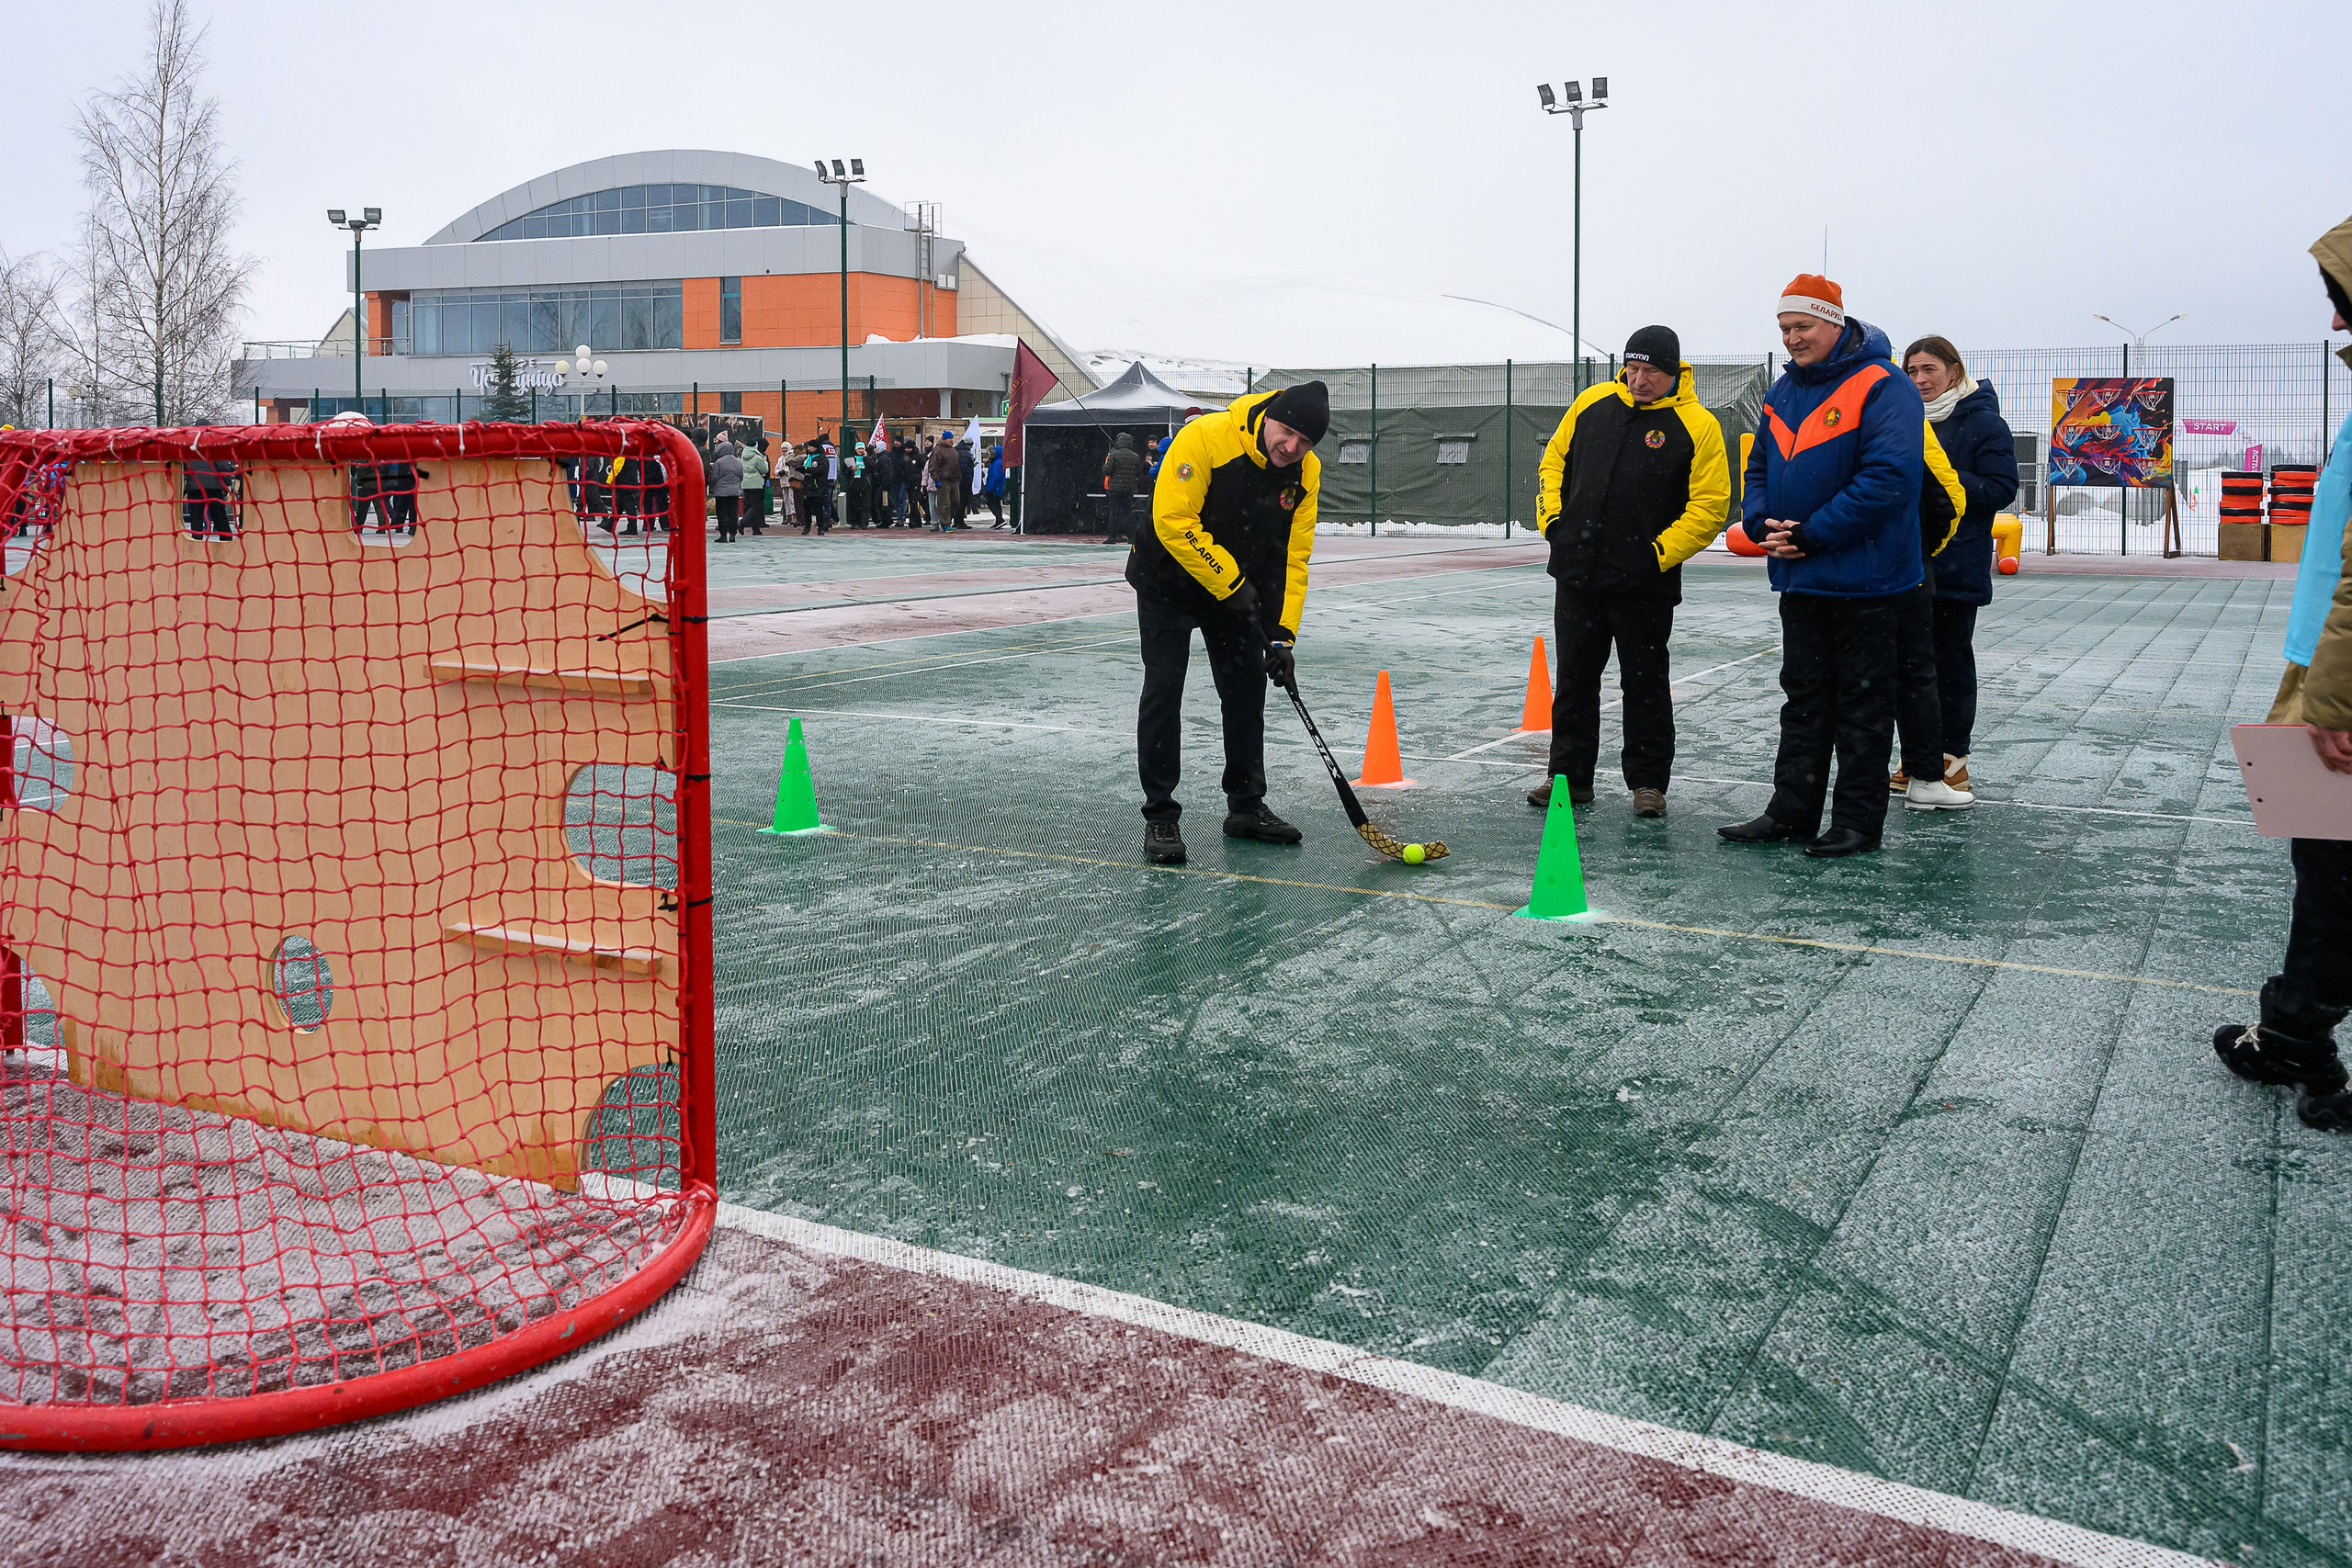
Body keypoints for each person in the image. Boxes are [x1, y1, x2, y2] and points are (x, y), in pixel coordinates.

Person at [2211, 213, 2352, 1134]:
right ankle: (2295, 1029)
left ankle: (2298, 1029)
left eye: (2340, 302)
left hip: (2343, 681)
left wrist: (2335, 701)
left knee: (2335, 865)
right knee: (2324, 858)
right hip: (2328, 662)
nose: (2336, 325)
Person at [1719, 275, 1925, 859]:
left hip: (1868, 580)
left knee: (1863, 705)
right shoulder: (1782, 391)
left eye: (1801, 327)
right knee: (1803, 697)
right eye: (1784, 329)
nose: (1791, 339)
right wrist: (1763, 527)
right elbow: (1756, 468)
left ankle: (1859, 822)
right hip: (1802, 575)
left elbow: (1888, 479)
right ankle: (1792, 810)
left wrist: (1812, 534)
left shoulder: (1884, 385)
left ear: (1834, 322)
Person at [1531, 325, 1730, 819]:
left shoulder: (1698, 426)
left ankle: (1648, 784)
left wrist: (1657, 554)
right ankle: (1569, 781)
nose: (1639, 380)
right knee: (1575, 680)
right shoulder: (1592, 403)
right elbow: (1553, 463)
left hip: (1645, 582)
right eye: (1633, 369)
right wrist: (1553, 521)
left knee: (1644, 683)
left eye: (1651, 372)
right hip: (1578, 572)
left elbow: (1710, 506)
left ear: (1675, 372)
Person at [1125, 380, 1329, 865]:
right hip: (1166, 584)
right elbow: (1173, 519)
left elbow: (1292, 557)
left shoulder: (1306, 473)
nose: (1291, 447)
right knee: (1164, 689)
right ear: (1269, 417)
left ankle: (1246, 807)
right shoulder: (1206, 438)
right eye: (1287, 432)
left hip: (1235, 595)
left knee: (1245, 690)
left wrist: (1282, 634)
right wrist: (1233, 583)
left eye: (1305, 442)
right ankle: (1161, 813)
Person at [1894, 335, 2018, 804]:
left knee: (1949, 664)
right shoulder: (1903, 419)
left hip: (1958, 567)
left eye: (1929, 370)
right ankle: (1917, 757)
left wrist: (1942, 476)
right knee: (1911, 666)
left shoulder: (1983, 421)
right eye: (1912, 371)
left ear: (1954, 370)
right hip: (1911, 563)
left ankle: (1953, 760)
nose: (1920, 380)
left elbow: (2001, 487)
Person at [1103, 433, 1148, 544]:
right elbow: (1138, 473)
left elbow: (1107, 471)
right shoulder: (1135, 456)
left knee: (1114, 513)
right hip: (1129, 489)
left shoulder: (1114, 455)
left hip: (1114, 489)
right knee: (1128, 513)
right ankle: (1131, 537)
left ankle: (1112, 536)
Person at [708, 439, 744, 542]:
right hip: (734, 492)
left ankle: (723, 535)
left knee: (722, 513)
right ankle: (733, 534)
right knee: (733, 513)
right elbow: (741, 476)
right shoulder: (738, 462)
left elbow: (714, 477)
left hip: (721, 492)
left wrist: (712, 486)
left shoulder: (718, 462)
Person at [926, 432, 959, 531]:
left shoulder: (953, 451)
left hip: (954, 479)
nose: (951, 440)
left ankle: (948, 519)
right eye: (950, 438)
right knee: (944, 503)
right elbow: (933, 466)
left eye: (952, 438)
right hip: (943, 480)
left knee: (956, 502)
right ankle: (945, 524)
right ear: (945, 439)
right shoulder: (938, 450)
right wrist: (936, 479)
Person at [740, 435, 769, 534]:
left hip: (745, 483)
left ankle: (756, 529)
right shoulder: (757, 457)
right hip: (756, 484)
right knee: (755, 506)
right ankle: (743, 522)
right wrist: (765, 463)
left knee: (749, 505)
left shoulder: (742, 457)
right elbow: (764, 470)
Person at [841, 441, 871, 530]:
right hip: (854, 484)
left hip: (865, 483)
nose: (861, 450)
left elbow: (872, 467)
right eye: (859, 449)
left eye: (862, 449)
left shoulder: (868, 459)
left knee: (865, 504)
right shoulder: (850, 459)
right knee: (854, 504)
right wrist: (851, 470)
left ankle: (864, 522)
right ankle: (854, 521)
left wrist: (866, 458)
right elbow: (844, 472)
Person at [984, 442, 1007, 528]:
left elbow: (995, 477)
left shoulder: (997, 463)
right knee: (997, 503)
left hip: (994, 487)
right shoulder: (999, 462)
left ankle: (999, 519)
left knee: (991, 502)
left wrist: (990, 487)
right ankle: (999, 519)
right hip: (998, 487)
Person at [957, 437, 978, 523]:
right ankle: (959, 521)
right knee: (963, 501)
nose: (971, 447)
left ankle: (957, 520)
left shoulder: (959, 452)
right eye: (970, 445)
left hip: (961, 481)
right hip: (964, 482)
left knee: (960, 502)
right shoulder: (965, 454)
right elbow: (965, 469)